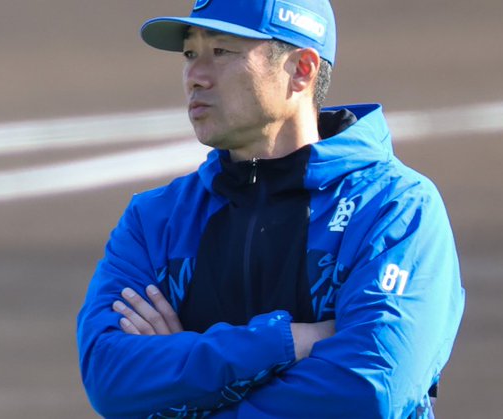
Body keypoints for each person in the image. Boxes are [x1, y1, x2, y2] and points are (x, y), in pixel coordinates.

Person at [77, 0, 465, 417]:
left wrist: (181, 379)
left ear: (301, 70)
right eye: (190, 54)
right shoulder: (156, 220)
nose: (195, 76)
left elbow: (370, 391)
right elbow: (109, 375)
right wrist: (286, 342)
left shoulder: (393, 207)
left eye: (221, 51)